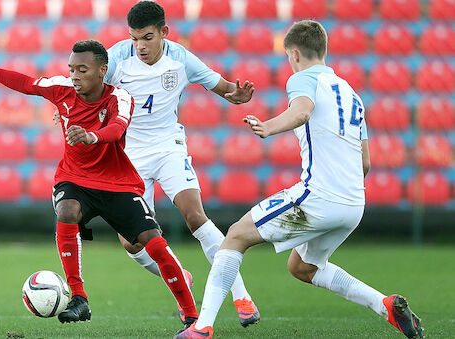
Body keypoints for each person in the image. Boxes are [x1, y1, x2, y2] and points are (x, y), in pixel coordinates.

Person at [176, 20, 424, 339]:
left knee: (235, 235)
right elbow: (365, 161)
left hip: (318, 198)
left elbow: (303, 111)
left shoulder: (302, 79)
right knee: (302, 267)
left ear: (293, 54)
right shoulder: (351, 94)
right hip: (353, 204)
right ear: (324, 50)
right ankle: (385, 305)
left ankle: (202, 327)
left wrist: (268, 126)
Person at [0, 40, 200, 329]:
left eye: (82, 69)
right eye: (72, 69)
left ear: (102, 71)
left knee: (152, 242)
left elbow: (117, 127)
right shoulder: (63, 89)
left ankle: (193, 316)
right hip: (75, 179)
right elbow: (24, 83)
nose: (75, 75)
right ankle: (79, 298)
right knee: (66, 210)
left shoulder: (120, 97)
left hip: (117, 184)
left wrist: (91, 136)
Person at [103, 1, 260, 327]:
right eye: (134, 38)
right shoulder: (117, 56)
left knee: (194, 214)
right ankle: (177, 274)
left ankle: (241, 294)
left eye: (147, 37)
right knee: (132, 241)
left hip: (168, 147)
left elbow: (225, 89)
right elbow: (89, 86)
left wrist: (239, 96)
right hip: (129, 156)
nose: (140, 46)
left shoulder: (181, 58)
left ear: (164, 32)